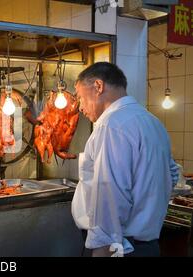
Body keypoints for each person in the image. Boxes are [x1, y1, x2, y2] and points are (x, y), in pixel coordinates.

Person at [71, 62, 179, 257]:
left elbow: (110, 192)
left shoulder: (111, 125)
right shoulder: (152, 122)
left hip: (119, 247)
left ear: (98, 86)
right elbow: (172, 174)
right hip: (148, 245)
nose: (80, 107)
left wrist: (103, 247)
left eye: (80, 97)